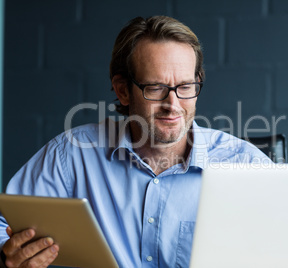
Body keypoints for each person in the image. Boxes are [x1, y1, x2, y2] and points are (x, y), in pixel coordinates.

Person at [0, 16, 271, 268]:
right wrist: (7, 256)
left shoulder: (245, 164)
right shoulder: (73, 154)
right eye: (156, 88)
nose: (173, 105)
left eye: (185, 87)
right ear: (122, 91)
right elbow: (4, 224)